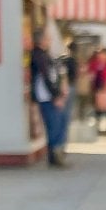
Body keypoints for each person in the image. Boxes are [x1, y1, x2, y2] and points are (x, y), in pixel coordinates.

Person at [30, 28, 69, 168]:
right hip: (47, 97)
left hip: (51, 95)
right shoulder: (38, 56)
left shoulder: (46, 56)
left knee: (59, 123)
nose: (50, 41)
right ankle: (55, 156)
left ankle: (56, 155)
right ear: (41, 40)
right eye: (47, 38)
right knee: (54, 126)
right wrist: (56, 95)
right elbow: (46, 78)